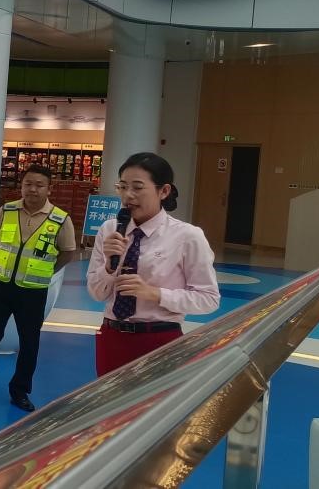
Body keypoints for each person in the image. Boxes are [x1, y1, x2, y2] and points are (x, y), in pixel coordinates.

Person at [88, 152, 220, 376]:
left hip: (159, 340)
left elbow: (209, 299)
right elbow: (96, 293)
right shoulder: (109, 229)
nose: (128, 195)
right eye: (122, 187)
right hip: (112, 337)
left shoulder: (187, 236)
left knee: (157, 400)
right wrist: (109, 267)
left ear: (164, 191)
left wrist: (155, 294)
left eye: (138, 187)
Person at [0, 165, 77, 412]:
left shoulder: (60, 219)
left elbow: (67, 252)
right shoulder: (7, 210)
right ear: (21, 186)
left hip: (33, 292)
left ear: (49, 189)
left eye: (39, 185)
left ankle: (20, 391)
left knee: (29, 343)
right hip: (0, 287)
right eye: (28, 184)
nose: (32, 189)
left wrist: (45, 271)